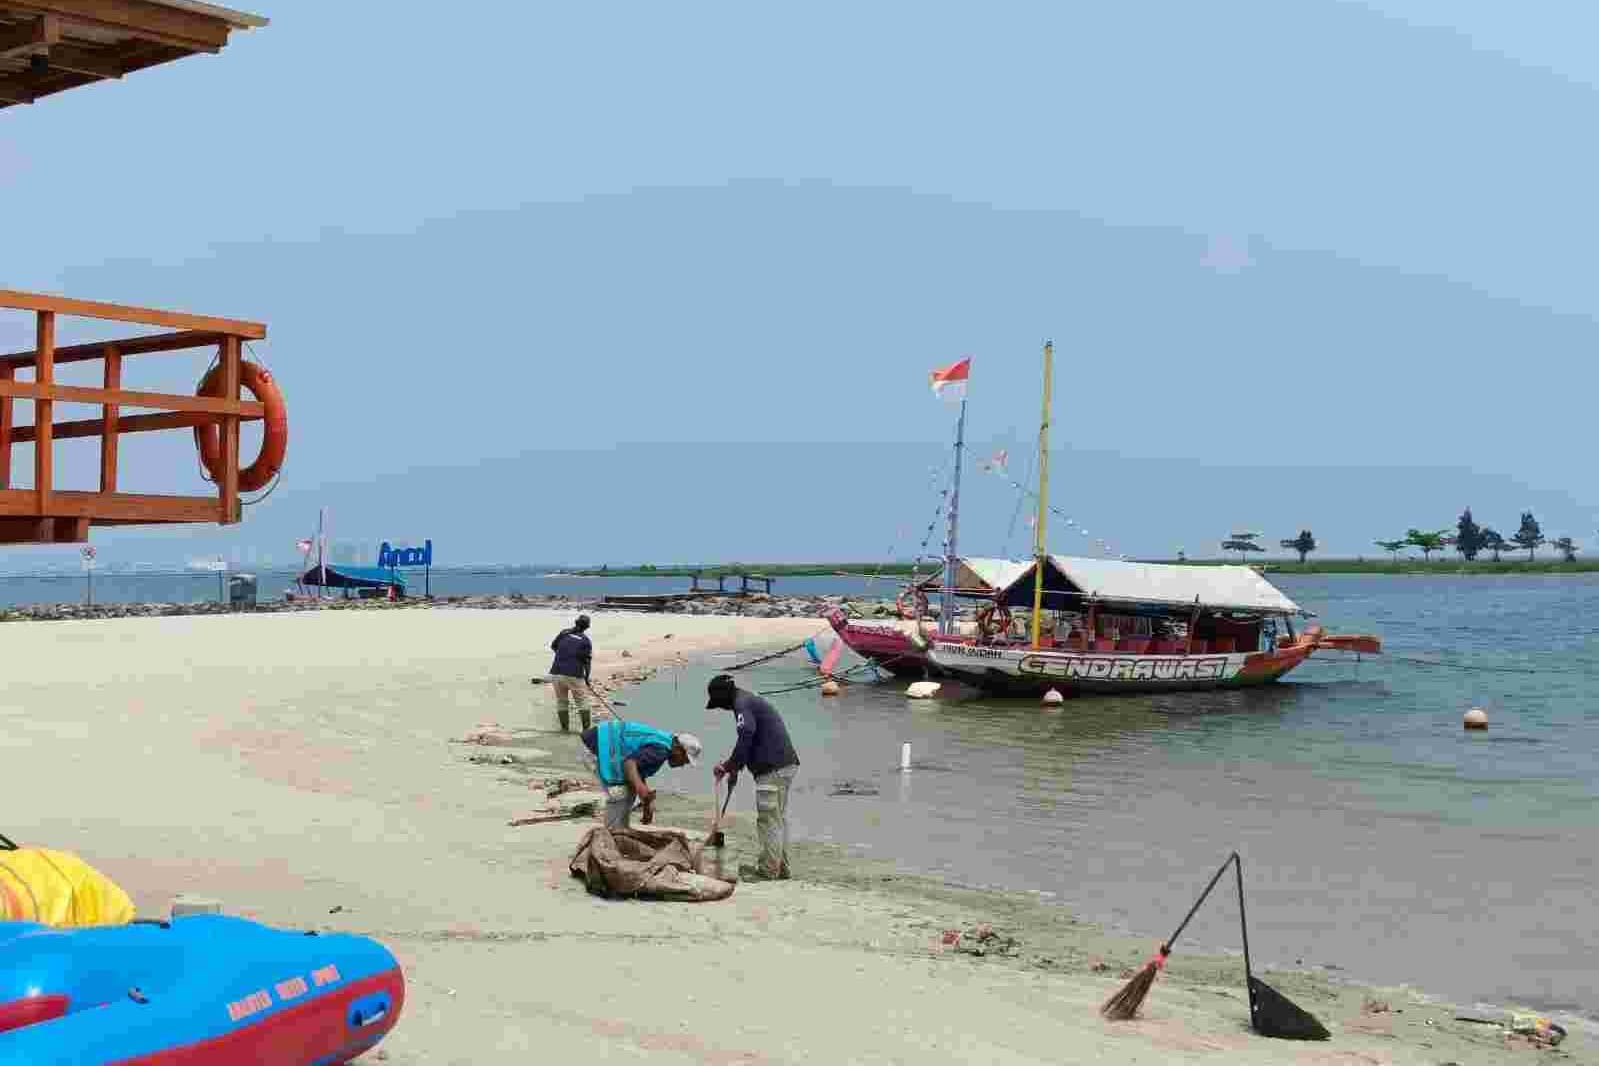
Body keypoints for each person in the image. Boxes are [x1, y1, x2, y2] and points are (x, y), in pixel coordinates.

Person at [706, 673, 800, 881]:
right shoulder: (747, 700)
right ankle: (781, 869)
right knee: (777, 819)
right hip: (785, 765)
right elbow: (750, 739)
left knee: (768, 820)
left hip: (772, 769)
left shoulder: (742, 704)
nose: (720, 708)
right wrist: (735, 767)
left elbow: (746, 733)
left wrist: (731, 765)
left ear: (723, 696)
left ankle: (768, 871)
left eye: (718, 703)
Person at [579, 719, 702, 828]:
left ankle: (620, 830)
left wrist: (645, 801)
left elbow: (638, 771)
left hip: (598, 743)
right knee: (619, 794)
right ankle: (612, 833)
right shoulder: (660, 751)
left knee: (629, 792)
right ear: (678, 749)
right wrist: (640, 788)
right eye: (684, 760)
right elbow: (629, 764)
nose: (682, 765)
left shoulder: (664, 742)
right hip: (596, 748)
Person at [548, 614, 593, 732]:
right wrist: (587, 679)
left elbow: (553, 646)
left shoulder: (564, 633)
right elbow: (587, 662)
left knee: (561, 701)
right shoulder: (585, 641)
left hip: (556, 672)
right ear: (587, 627)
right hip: (574, 674)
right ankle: (586, 731)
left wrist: (563, 655)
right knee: (582, 701)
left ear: (576, 622)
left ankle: (564, 730)